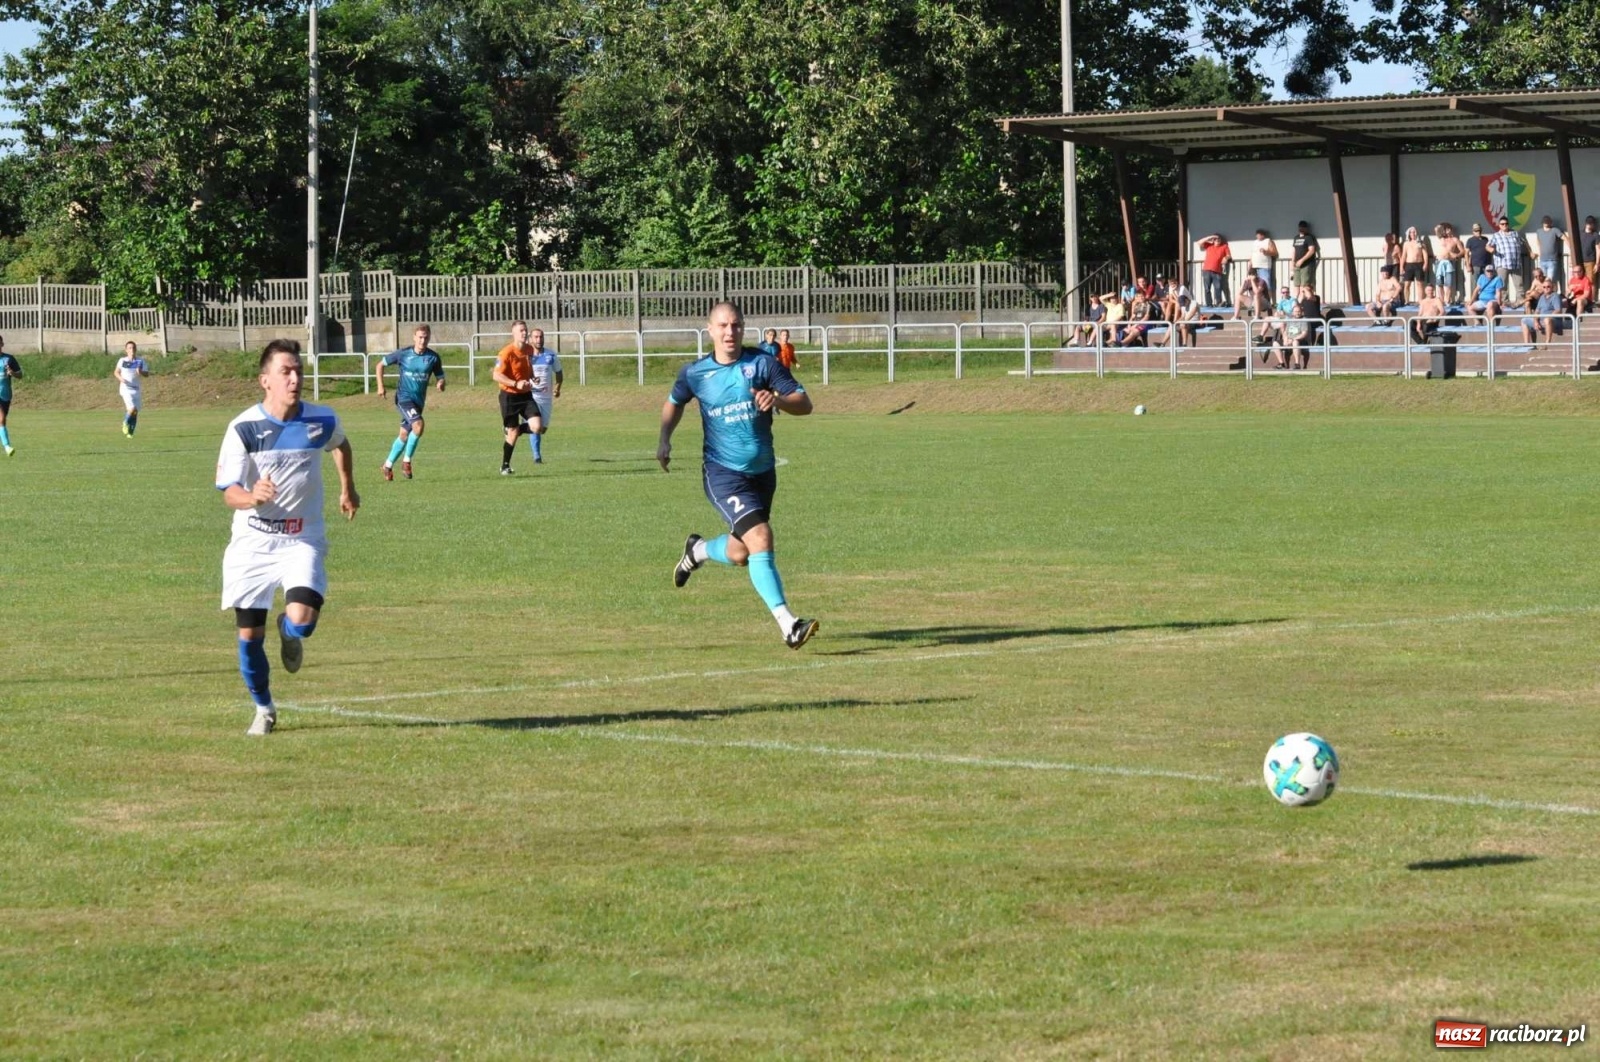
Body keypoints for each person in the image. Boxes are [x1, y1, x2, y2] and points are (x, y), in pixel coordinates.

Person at [215, 339, 359, 736]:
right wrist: (251, 496)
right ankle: (264, 709)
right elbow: (228, 490)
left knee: (303, 622)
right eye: (286, 372)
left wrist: (348, 488)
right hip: (253, 542)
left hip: (301, 538)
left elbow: (341, 445)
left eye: (298, 370)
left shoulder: (322, 420)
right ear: (265, 381)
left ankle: (288, 628)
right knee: (248, 637)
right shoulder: (243, 427)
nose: (295, 379)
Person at [661, 301, 818, 650]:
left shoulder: (762, 363)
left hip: (762, 474)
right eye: (722, 326)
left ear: (743, 327)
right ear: (709, 329)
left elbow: (804, 403)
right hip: (722, 473)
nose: (729, 332)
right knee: (760, 536)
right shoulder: (696, 373)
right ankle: (788, 624)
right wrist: (664, 440)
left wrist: (776, 400)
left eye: (735, 325)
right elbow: (674, 402)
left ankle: (697, 550)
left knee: (740, 552)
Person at [374, 324, 445, 481]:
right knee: (418, 426)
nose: (423, 340)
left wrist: (441, 383)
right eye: (420, 337)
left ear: (429, 337)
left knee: (404, 435)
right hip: (403, 398)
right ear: (414, 337)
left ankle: (387, 465)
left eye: (426, 337)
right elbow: (380, 365)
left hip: (419, 402)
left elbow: (440, 376)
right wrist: (380, 386)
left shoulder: (433, 357)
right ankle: (406, 462)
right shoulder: (403, 354)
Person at [491, 320, 538, 475]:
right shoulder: (506, 352)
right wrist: (515, 383)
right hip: (509, 396)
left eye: (526, 330)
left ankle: (515, 429)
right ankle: (505, 465)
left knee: (538, 426)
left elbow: (528, 367)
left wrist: (533, 377)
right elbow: (496, 375)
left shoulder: (530, 349)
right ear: (514, 333)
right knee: (512, 433)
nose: (525, 333)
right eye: (521, 331)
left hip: (525, 395)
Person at [523, 327, 563, 464]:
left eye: (541, 337)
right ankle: (537, 457)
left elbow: (559, 372)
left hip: (546, 398)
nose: (539, 340)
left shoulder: (551, 355)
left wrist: (557, 388)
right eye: (536, 337)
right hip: (530, 397)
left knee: (543, 429)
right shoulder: (526, 356)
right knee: (536, 427)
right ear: (530, 339)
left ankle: (515, 428)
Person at [111, 340, 149, 437]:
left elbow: (146, 374)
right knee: (132, 408)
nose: (132, 350)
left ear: (136, 349)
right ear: (126, 350)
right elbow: (116, 372)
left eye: (133, 348)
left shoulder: (140, 361)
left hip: (136, 389)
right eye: (129, 348)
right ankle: (125, 423)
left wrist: (140, 372)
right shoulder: (122, 361)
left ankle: (130, 432)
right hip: (125, 388)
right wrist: (121, 379)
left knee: (135, 412)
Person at [1489, 216, 1526, 305]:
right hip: (1502, 264)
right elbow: (1488, 245)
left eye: (1506, 224)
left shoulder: (1515, 233)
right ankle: (1504, 302)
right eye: (1502, 224)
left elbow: (1523, 242)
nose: (1505, 225)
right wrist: (1491, 249)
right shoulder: (1496, 235)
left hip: (1516, 263)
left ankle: (1520, 300)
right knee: (1503, 285)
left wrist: (1531, 252)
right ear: (1499, 225)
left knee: (1519, 284)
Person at [1288, 283, 1323, 371]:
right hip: (1305, 321)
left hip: (1315, 321)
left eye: (1307, 290)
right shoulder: (1302, 300)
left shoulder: (1316, 297)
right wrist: (1302, 292)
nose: (1304, 292)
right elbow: (1297, 303)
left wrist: (1306, 288)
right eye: (1303, 290)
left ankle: (1306, 342)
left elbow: (1310, 296)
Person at [1520, 281, 1565, 345]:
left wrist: (1548, 317)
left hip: (1554, 321)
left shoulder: (1555, 296)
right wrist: (1536, 321)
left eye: (1548, 287)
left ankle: (1547, 343)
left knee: (1547, 320)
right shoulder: (1542, 297)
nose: (1546, 288)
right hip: (1541, 320)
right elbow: (1537, 311)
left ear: (1552, 287)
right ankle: (1527, 344)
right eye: (1544, 287)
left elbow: (1558, 310)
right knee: (1524, 320)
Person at [1399, 226, 1431, 305]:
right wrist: (1401, 267)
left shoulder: (1421, 243)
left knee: (1419, 283)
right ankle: (1406, 300)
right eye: (1411, 232)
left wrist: (1425, 264)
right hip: (1409, 264)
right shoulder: (1406, 244)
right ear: (1409, 234)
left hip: (1419, 264)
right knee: (1407, 284)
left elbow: (1425, 254)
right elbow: (1403, 256)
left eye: (1414, 232)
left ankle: (1420, 300)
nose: (1413, 234)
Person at [1534, 216, 1565, 294]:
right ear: (1542, 223)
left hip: (1552, 260)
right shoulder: (1539, 231)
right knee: (1543, 281)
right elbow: (1538, 242)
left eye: (1548, 221)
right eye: (1545, 221)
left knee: (1550, 280)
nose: (1546, 223)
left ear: (1551, 222)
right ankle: (1545, 297)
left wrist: (1571, 248)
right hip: (1542, 260)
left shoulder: (1555, 230)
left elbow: (1564, 237)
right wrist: (1539, 252)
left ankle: (1553, 296)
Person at [1436, 223, 1466, 305]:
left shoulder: (1455, 239)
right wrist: (1442, 226)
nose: (1448, 231)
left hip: (1449, 262)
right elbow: (1436, 229)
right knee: (1439, 283)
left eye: (1449, 229)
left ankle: (1447, 300)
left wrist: (1456, 255)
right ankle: (1441, 301)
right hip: (1439, 262)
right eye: (1446, 229)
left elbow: (1462, 251)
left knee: (1448, 283)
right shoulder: (1441, 238)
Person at [1198, 234, 1231, 308]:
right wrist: (1210, 237)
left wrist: (1226, 258)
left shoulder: (1224, 246)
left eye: (1219, 239)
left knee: (1218, 287)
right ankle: (1209, 304)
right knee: (1207, 288)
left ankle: (1218, 303)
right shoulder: (1208, 246)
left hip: (1217, 271)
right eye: (1216, 239)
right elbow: (1199, 242)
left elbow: (1229, 255)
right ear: (1213, 240)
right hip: (1206, 270)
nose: (1217, 240)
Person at [0, 336, 18, 456]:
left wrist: (13, 373)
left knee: (2, 421)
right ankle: (7, 447)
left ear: (2, 344)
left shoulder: (9, 359)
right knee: (1, 419)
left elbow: (20, 374)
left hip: (5, 395)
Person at [1291, 221, 1320, 290]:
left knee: (1304, 285)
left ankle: (1303, 300)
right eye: (1300, 227)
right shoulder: (1296, 237)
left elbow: (1312, 250)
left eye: (1303, 227)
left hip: (1306, 264)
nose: (1301, 229)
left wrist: (1302, 260)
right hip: (1296, 264)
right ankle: (1296, 300)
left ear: (1306, 228)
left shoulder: (1309, 237)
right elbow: (1294, 250)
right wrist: (1292, 262)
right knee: (1296, 285)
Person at [1465, 222, 1493, 291]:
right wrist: (1468, 265)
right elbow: (1466, 253)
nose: (1478, 232)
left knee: (1487, 282)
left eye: (1479, 230)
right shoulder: (1470, 240)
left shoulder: (1485, 239)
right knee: (1475, 283)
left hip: (1486, 265)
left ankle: (1485, 298)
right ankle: (1474, 299)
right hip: (1475, 265)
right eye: (1476, 231)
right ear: (1473, 231)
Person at [1581, 216, 1600, 285]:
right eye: (1588, 223)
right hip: (1580, 260)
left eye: (1591, 223)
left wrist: (1597, 264)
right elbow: (1575, 246)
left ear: (1594, 224)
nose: (1589, 224)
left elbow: (1598, 250)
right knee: (1581, 282)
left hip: (1591, 262)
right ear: (1585, 223)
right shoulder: (1581, 234)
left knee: (1591, 282)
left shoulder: (1596, 235)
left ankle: (1591, 296)